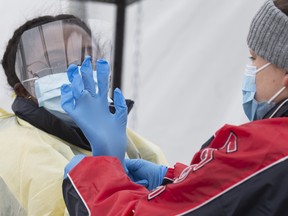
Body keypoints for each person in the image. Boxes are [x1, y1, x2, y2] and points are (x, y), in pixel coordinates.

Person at [62, 0, 288, 215]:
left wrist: (94, 177)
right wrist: (173, 181)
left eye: (254, 58)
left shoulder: (266, 150)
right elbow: (241, 194)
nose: (250, 70)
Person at [0, 14, 167, 215]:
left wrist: (169, 182)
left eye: (88, 59)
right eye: (54, 62)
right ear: (23, 90)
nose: (77, 70)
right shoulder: (15, 146)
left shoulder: (125, 138)